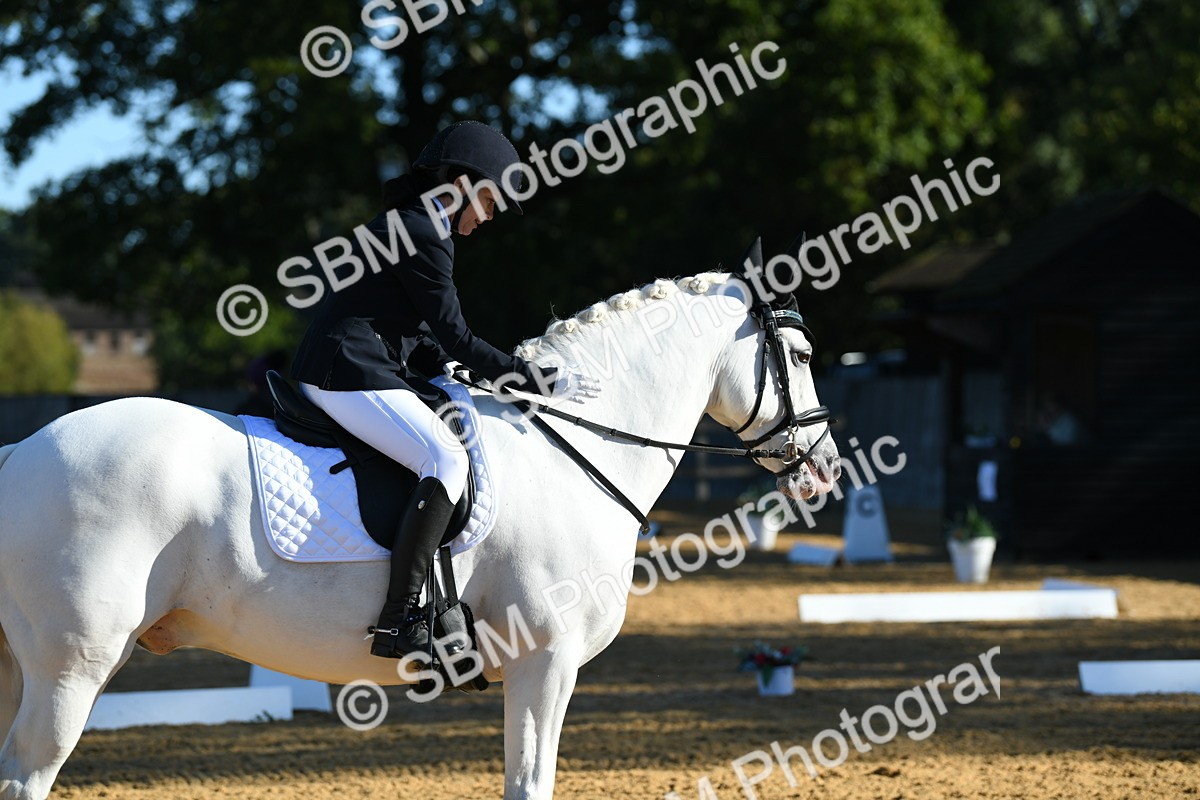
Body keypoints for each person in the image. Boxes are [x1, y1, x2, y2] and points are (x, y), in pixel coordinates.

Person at [290, 121, 599, 659]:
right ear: (460, 183)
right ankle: (400, 615)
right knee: (446, 459)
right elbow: (455, 332)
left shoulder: (414, 223)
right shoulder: (424, 231)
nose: (488, 216)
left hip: (359, 360)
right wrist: (534, 379)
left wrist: (454, 365)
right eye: (488, 201)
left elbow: (417, 328)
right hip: (347, 370)